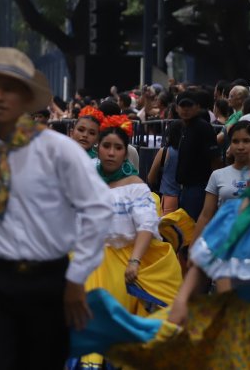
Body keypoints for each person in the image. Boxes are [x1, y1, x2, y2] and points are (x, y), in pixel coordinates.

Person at [71, 119, 250, 366]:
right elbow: (203, 265)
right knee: (151, 339)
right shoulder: (232, 212)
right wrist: (182, 305)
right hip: (244, 312)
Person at [0, 48, 112, 369]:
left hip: (45, 281)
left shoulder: (58, 151)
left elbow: (98, 210)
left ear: (27, 98)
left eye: (9, 89)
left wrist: (76, 278)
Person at [68, 117, 182, 369]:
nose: (111, 152)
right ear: (98, 147)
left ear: (125, 152)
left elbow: (146, 226)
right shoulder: (83, 175)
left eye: (118, 148)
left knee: (104, 322)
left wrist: (135, 261)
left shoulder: (135, 187)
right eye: (106, 146)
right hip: (81, 258)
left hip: (118, 263)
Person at [194, 120, 250, 239]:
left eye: (246, 141)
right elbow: (205, 216)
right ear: (230, 144)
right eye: (235, 141)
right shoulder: (217, 175)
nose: (240, 147)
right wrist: (193, 247)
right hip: (222, 240)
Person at [169, 89, 218, 220]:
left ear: (197, 107)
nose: (186, 109)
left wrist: (216, 187)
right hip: (185, 188)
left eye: (189, 105)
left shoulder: (203, 127)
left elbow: (215, 159)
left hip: (199, 188)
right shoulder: (185, 127)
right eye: (182, 105)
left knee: (193, 224)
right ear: (177, 108)